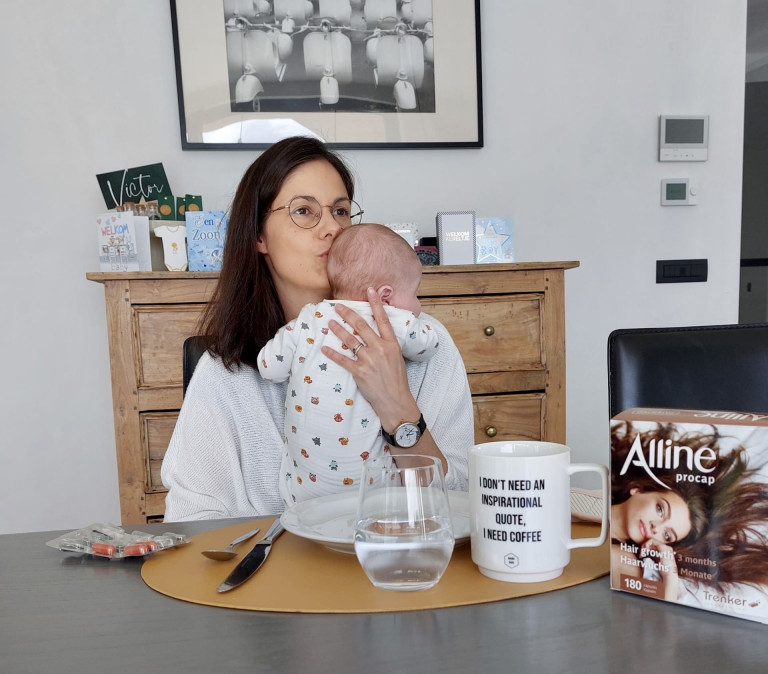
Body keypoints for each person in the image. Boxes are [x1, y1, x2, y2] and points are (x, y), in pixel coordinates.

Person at [161, 136, 474, 521]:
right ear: (259, 236)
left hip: (395, 570)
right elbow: (192, 520)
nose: (332, 228)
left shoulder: (428, 345)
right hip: (271, 577)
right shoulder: (224, 371)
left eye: (341, 211)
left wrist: (398, 409)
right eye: (304, 211)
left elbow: (459, 503)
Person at [257, 223, 440, 504]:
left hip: (303, 496)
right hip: (377, 498)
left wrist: (287, 338)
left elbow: (268, 368)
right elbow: (429, 345)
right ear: (386, 296)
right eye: (415, 293)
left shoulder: (309, 318)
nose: (418, 305)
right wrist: (419, 325)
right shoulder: (394, 320)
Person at [610, 421, 768, 601]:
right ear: (638, 489)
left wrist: (670, 574)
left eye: (667, 535)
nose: (656, 528)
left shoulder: (622, 558)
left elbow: (659, 617)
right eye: (660, 510)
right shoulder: (595, 495)